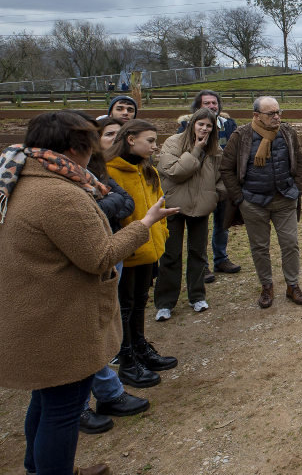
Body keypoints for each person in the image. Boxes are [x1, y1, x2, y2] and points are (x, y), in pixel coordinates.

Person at [0, 110, 177, 475]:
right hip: (58, 321)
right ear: (75, 148)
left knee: (46, 401)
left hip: (35, 313)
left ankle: (39, 469)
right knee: (64, 410)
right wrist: (145, 223)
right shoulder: (58, 195)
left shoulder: (20, 177)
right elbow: (100, 256)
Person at [65, 114, 151, 435]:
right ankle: (79, 407)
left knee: (103, 322)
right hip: (92, 261)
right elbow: (107, 212)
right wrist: (139, 224)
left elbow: (123, 201)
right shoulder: (61, 187)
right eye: (103, 136)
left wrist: (106, 203)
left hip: (109, 252)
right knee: (85, 330)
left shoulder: (91, 173)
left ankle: (108, 391)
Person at [106, 119, 178, 387]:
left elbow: (160, 203)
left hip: (150, 249)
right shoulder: (110, 173)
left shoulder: (148, 171)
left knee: (139, 302)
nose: (154, 146)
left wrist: (163, 234)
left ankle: (140, 349)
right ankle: (127, 362)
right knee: (124, 307)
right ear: (130, 139)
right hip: (127, 251)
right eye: (150, 140)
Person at [220, 96, 302, 308]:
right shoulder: (241, 135)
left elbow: (300, 161)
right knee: (259, 247)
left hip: (285, 199)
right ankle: (266, 286)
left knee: (290, 244)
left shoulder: (288, 133)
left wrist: (296, 189)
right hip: (253, 202)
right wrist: (240, 198)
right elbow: (226, 168)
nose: (277, 117)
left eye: (279, 112)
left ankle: (292, 285)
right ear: (256, 116)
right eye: (271, 114)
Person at [154, 107, 226, 321]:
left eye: (209, 125)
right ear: (192, 123)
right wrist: (195, 150)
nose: (204, 128)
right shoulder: (173, 143)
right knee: (170, 255)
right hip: (174, 207)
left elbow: (221, 177)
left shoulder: (215, 151)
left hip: (201, 208)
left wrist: (215, 195)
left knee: (198, 254)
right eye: (200, 124)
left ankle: (197, 296)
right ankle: (165, 302)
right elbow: (175, 172)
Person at [176, 90, 241, 283]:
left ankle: (221, 259)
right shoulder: (186, 127)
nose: (212, 106)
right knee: (200, 226)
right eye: (207, 103)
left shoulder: (229, 125)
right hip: (200, 182)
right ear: (198, 107)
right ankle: (201, 265)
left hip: (223, 181)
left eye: (214, 103)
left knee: (223, 223)